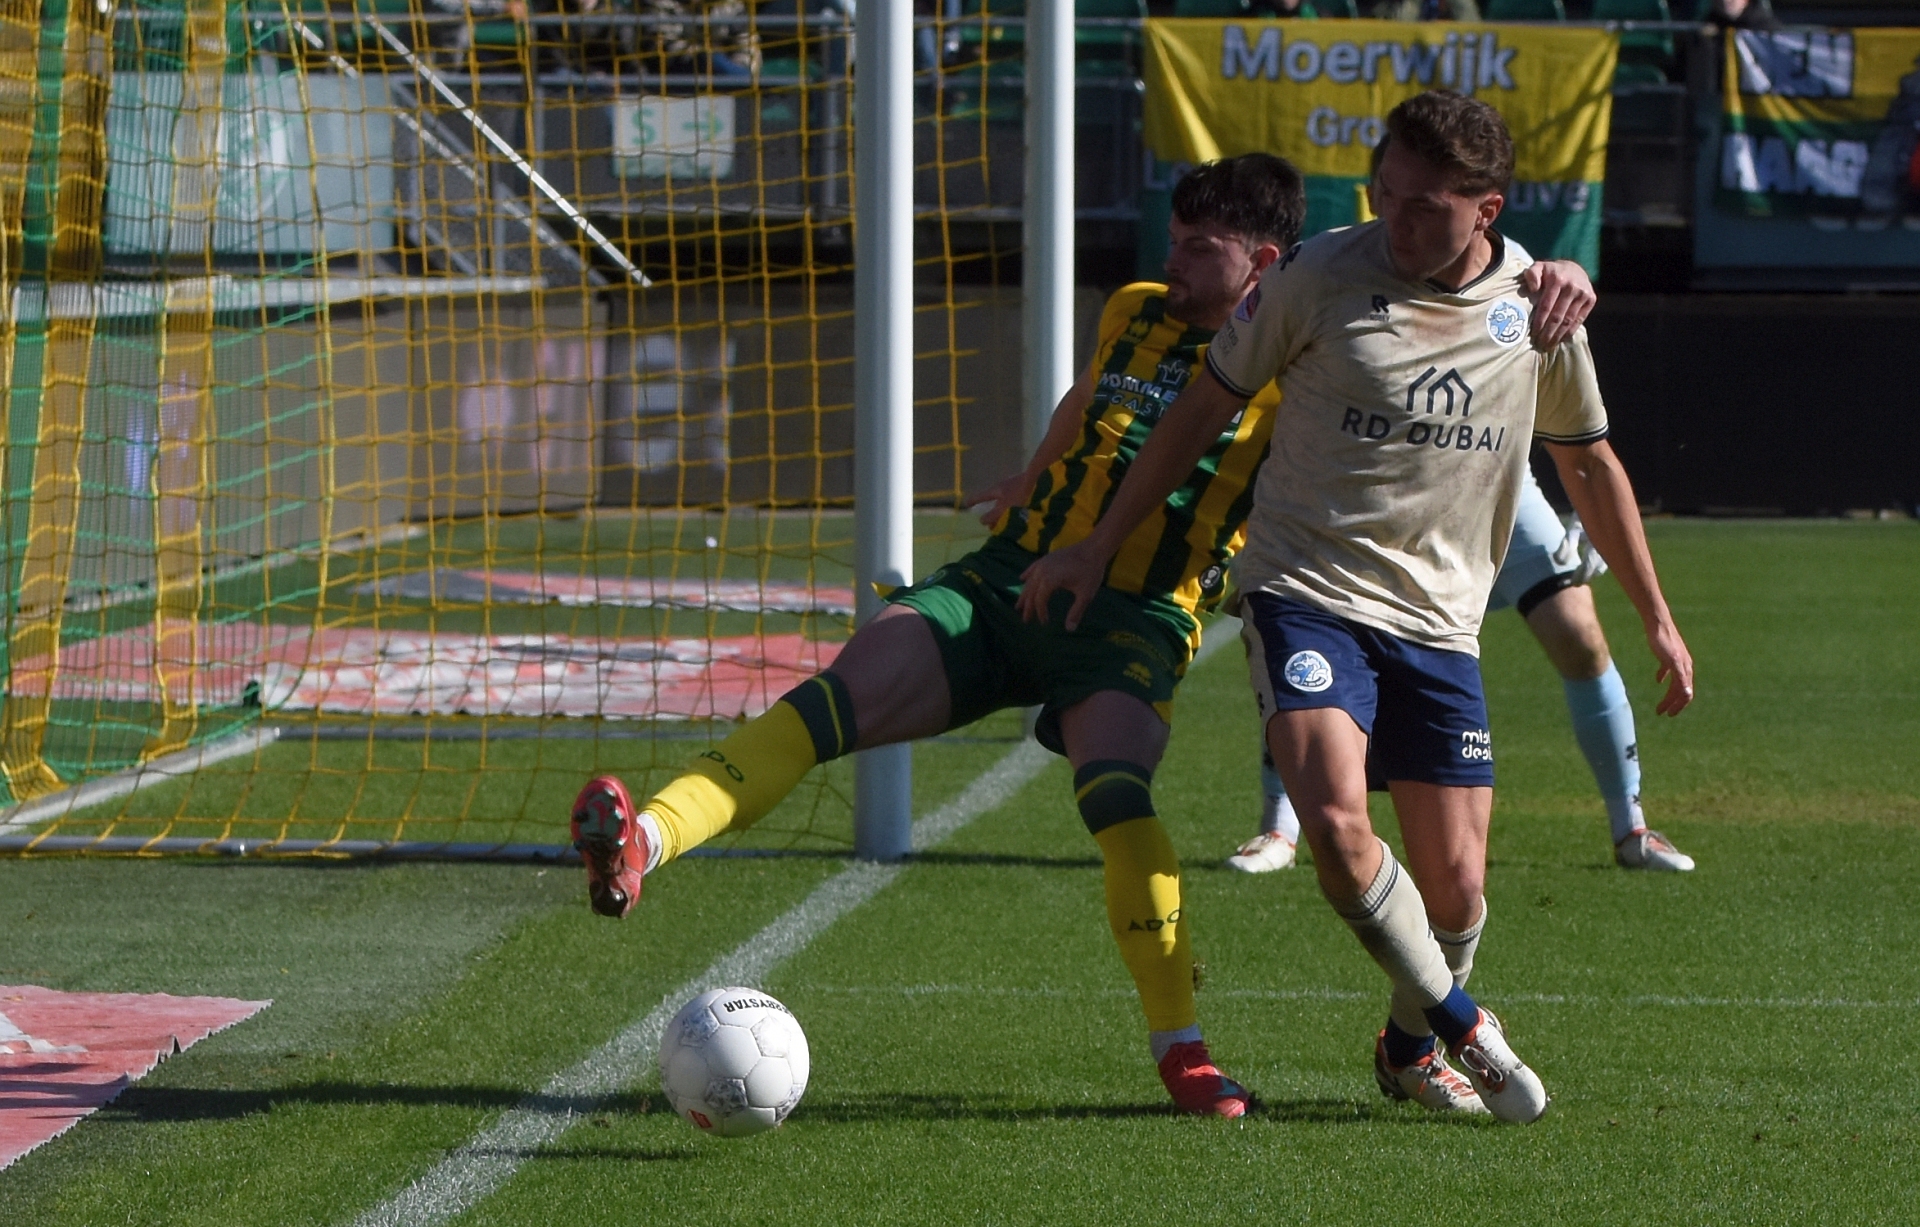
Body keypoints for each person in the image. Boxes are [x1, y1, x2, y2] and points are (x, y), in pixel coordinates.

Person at [569, 155, 1309, 1119]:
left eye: (1198, 249)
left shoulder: (1296, 365)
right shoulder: (1134, 307)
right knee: (824, 703)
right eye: (1171, 239)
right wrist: (1028, 478)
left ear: (1262, 260)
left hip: (1136, 616)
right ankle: (644, 845)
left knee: (1118, 799)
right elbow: (1088, 403)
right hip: (1009, 580)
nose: (1171, 261)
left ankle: (1184, 1053)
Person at [1018, 91, 1694, 1124]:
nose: (1397, 221)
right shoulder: (1315, 278)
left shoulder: (1540, 311)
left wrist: (1655, 616)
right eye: (1384, 194)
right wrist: (1099, 542)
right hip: (1306, 590)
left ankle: (1409, 1040)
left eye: (1425, 207)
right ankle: (1468, 1020)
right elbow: (1204, 403)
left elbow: (1590, 463)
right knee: (1334, 822)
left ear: (1488, 209)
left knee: (1458, 889)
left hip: (1440, 622)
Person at [1229, 465, 1695, 875]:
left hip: (1496, 482)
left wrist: (1590, 505)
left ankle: (1631, 826)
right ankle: (1280, 827)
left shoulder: (1544, 357)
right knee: (1321, 629)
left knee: (1578, 633)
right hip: (1382, 481)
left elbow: (1577, 425)